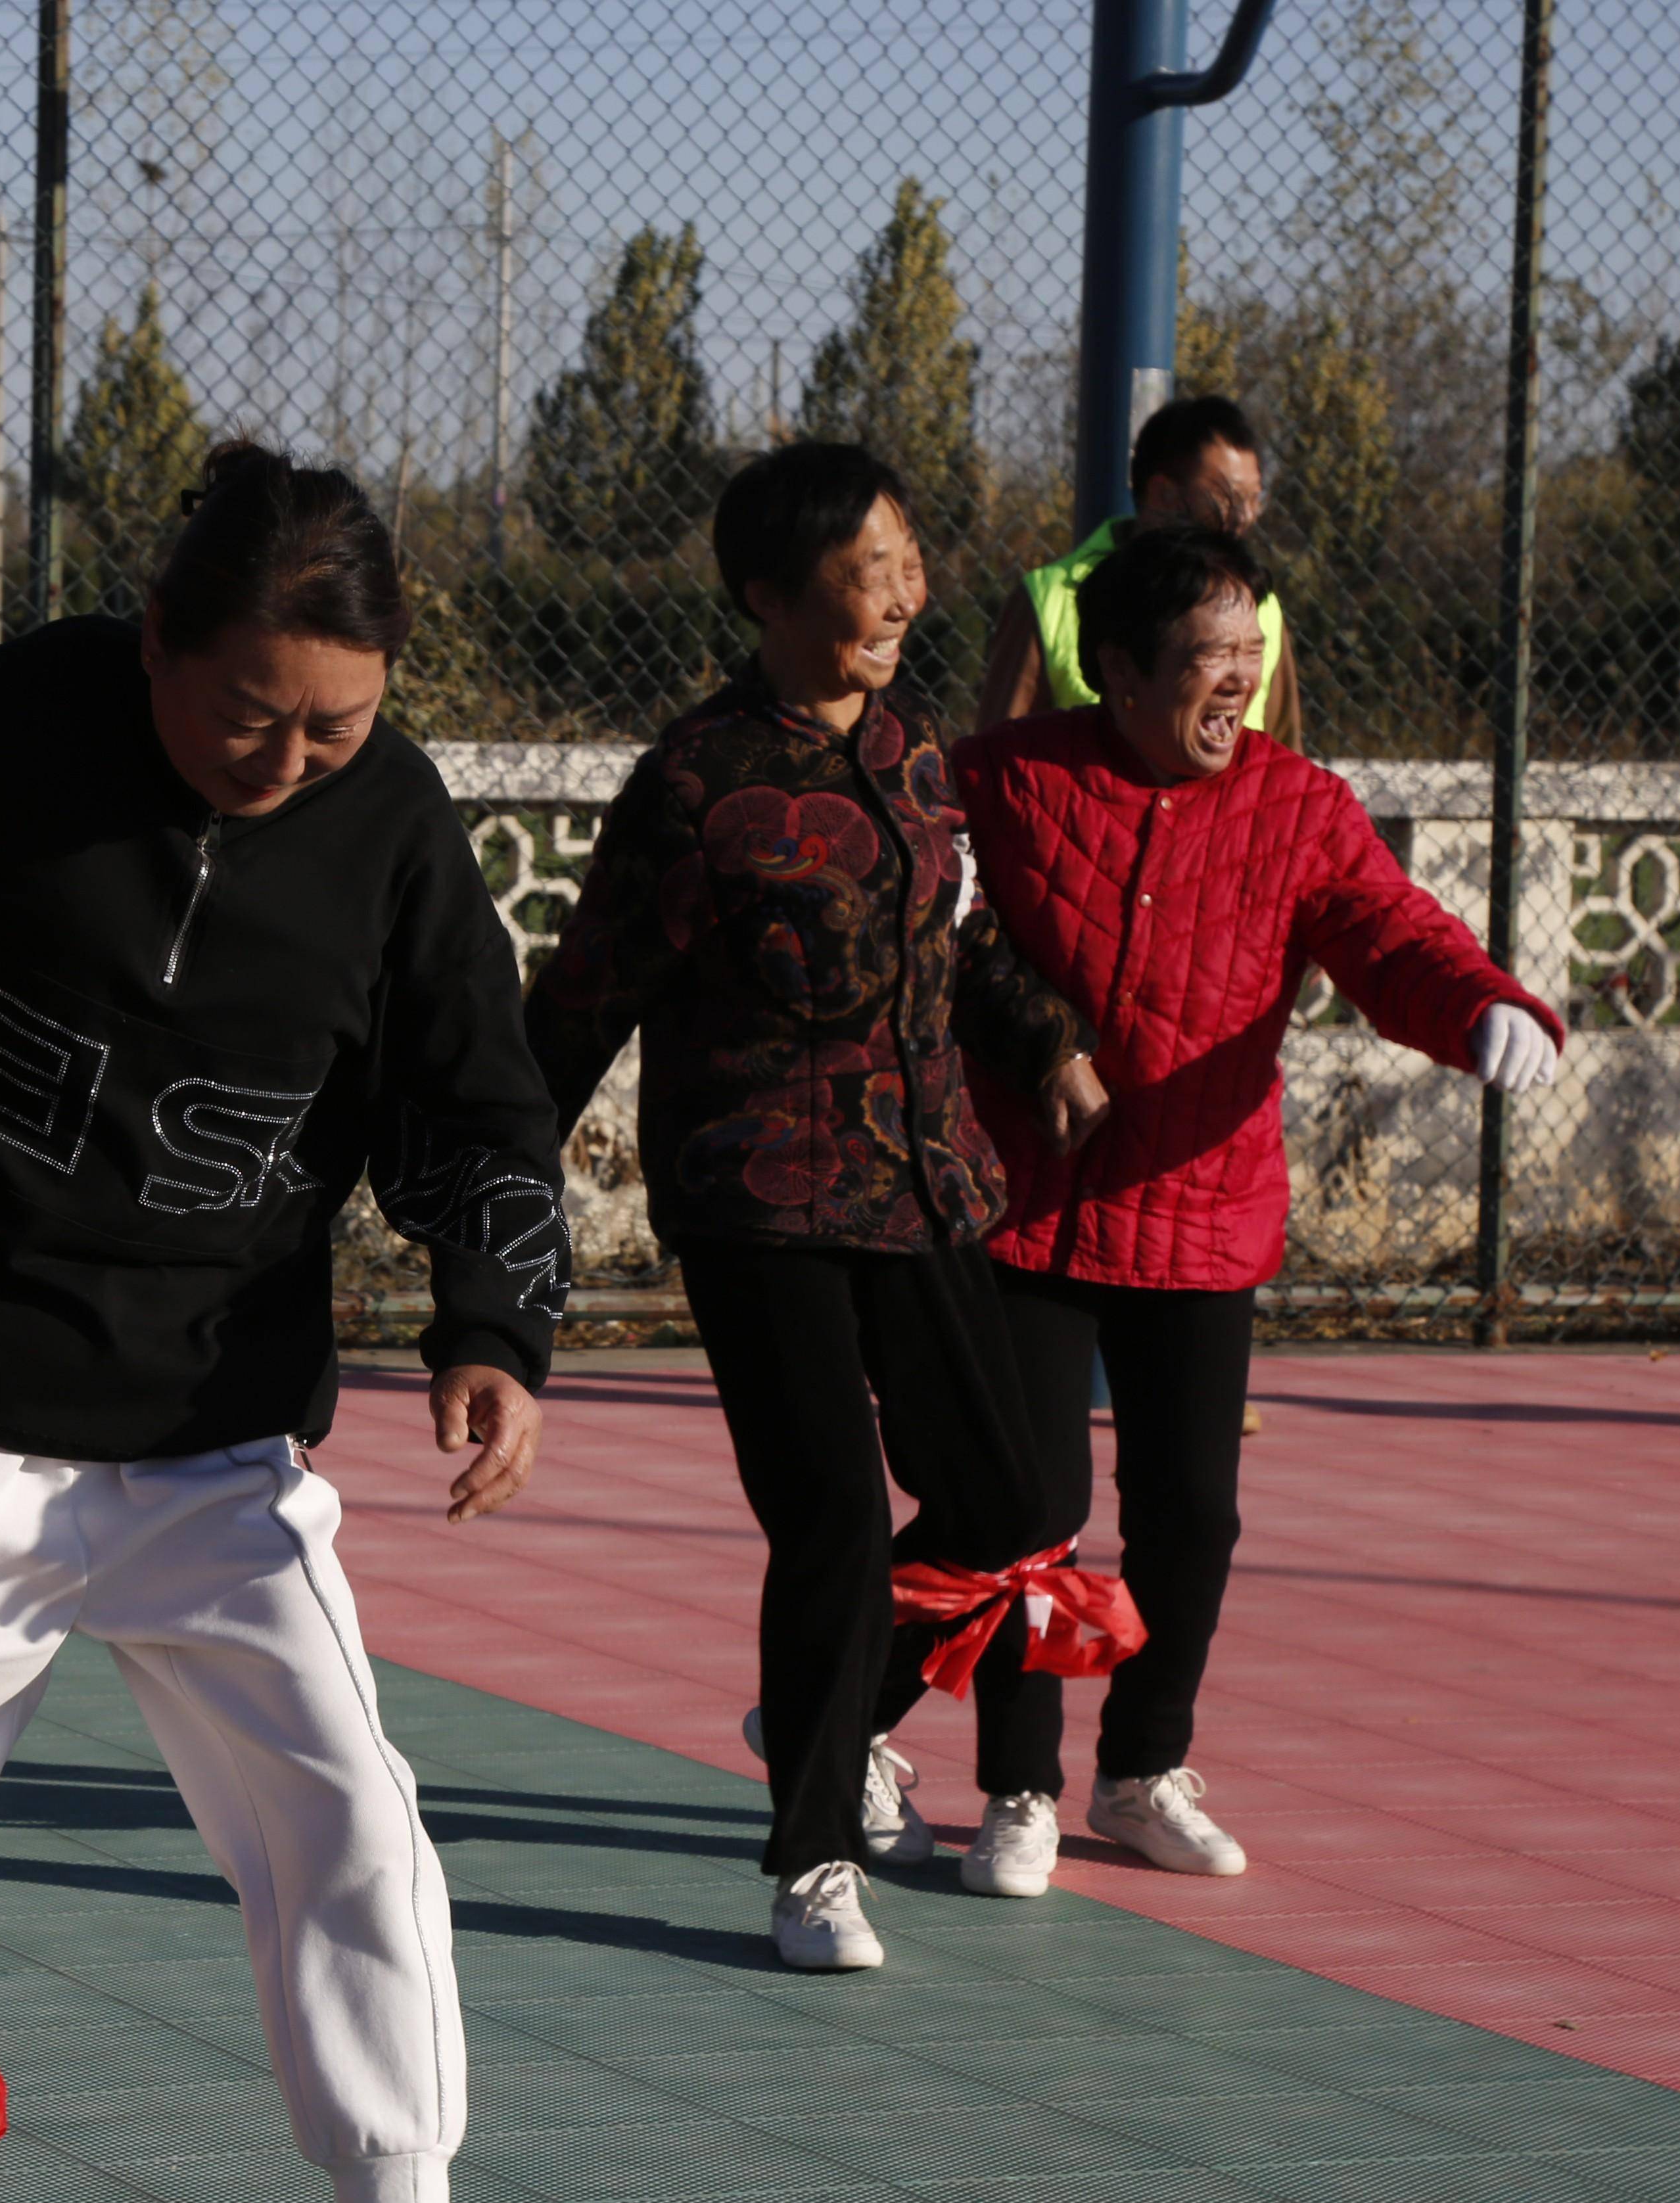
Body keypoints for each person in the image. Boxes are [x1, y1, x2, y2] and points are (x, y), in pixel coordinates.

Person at [0, 444, 590, 2203]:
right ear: (153, 638)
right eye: (250, 704)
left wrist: (492, 1327)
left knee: (350, 1826)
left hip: (209, 1447)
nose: (290, 752)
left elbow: (473, 1106)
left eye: (336, 718)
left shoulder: (389, 825)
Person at [526, 440, 1113, 1976]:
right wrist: (489, 1159)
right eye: (870, 570)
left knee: (1010, 1499)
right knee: (834, 1523)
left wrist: (1044, 1041)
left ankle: (835, 1710)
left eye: (910, 560)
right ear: (769, 595)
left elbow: (960, 942)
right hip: (759, 1196)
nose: (905, 592)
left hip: (924, 1185)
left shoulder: (917, 749)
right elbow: (588, 990)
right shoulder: (696, 778)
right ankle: (808, 1859)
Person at [947, 522, 1564, 1901]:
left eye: (1248, 651)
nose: (1232, 681)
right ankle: (1018, 1784)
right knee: (1028, 1514)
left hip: (1196, 1210)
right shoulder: (1002, 780)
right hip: (1026, 1209)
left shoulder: (1300, 806)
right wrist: (1028, 1036)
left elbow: (1388, 931)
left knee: (1189, 1515)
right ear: (1112, 668)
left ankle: (1140, 1765)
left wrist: (1480, 1003)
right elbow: (941, 925)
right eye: (1199, 658)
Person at [974, 394, 1303, 749]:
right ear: (1163, 494)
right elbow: (996, 761)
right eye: (1229, 497)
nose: (1245, 517)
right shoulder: (1049, 599)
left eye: (1256, 499)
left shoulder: (1261, 603)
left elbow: (1285, 750)